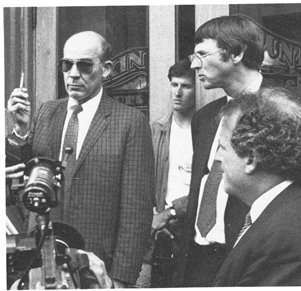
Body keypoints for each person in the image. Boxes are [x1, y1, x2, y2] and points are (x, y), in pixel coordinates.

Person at [7, 30, 155, 288]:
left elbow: (136, 210)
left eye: (84, 65)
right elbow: (23, 177)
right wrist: (20, 131)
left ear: (106, 69)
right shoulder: (46, 112)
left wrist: (120, 279)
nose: (73, 73)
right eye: (67, 64)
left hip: (98, 267)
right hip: (43, 260)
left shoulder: (130, 122)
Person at [174, 14, 270, 287]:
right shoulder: (204, 118)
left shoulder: (285, 112)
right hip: (198, 264)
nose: (194, 64)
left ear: (236, 52)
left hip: (251, 265)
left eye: (202, 54)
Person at [212, 87, 301, 286]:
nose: (217, 158)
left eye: (222, 147)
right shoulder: (291, 208)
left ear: (251, 159)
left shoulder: (284, 238)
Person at [136, 59, 195, 287]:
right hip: (158, 232)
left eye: (186, 86)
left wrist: (170, 213)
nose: (178, 93)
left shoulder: (203, 130)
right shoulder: (155, 130)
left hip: (190, 230)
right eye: (174, 85)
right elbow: (141, 181)